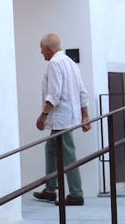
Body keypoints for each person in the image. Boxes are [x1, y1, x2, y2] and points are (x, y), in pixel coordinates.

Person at [33, 33, 92, 205]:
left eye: (41, 49)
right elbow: (82, 91)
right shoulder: (70, 62)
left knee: (67, 154)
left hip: (61, 118)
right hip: (69, 116)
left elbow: (54, 94)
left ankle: (76, 194)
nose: (41, 53)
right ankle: (51, 188)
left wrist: (43, 116)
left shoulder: (55, 63)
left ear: (48, 49)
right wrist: (85, 115)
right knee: (51, 149)